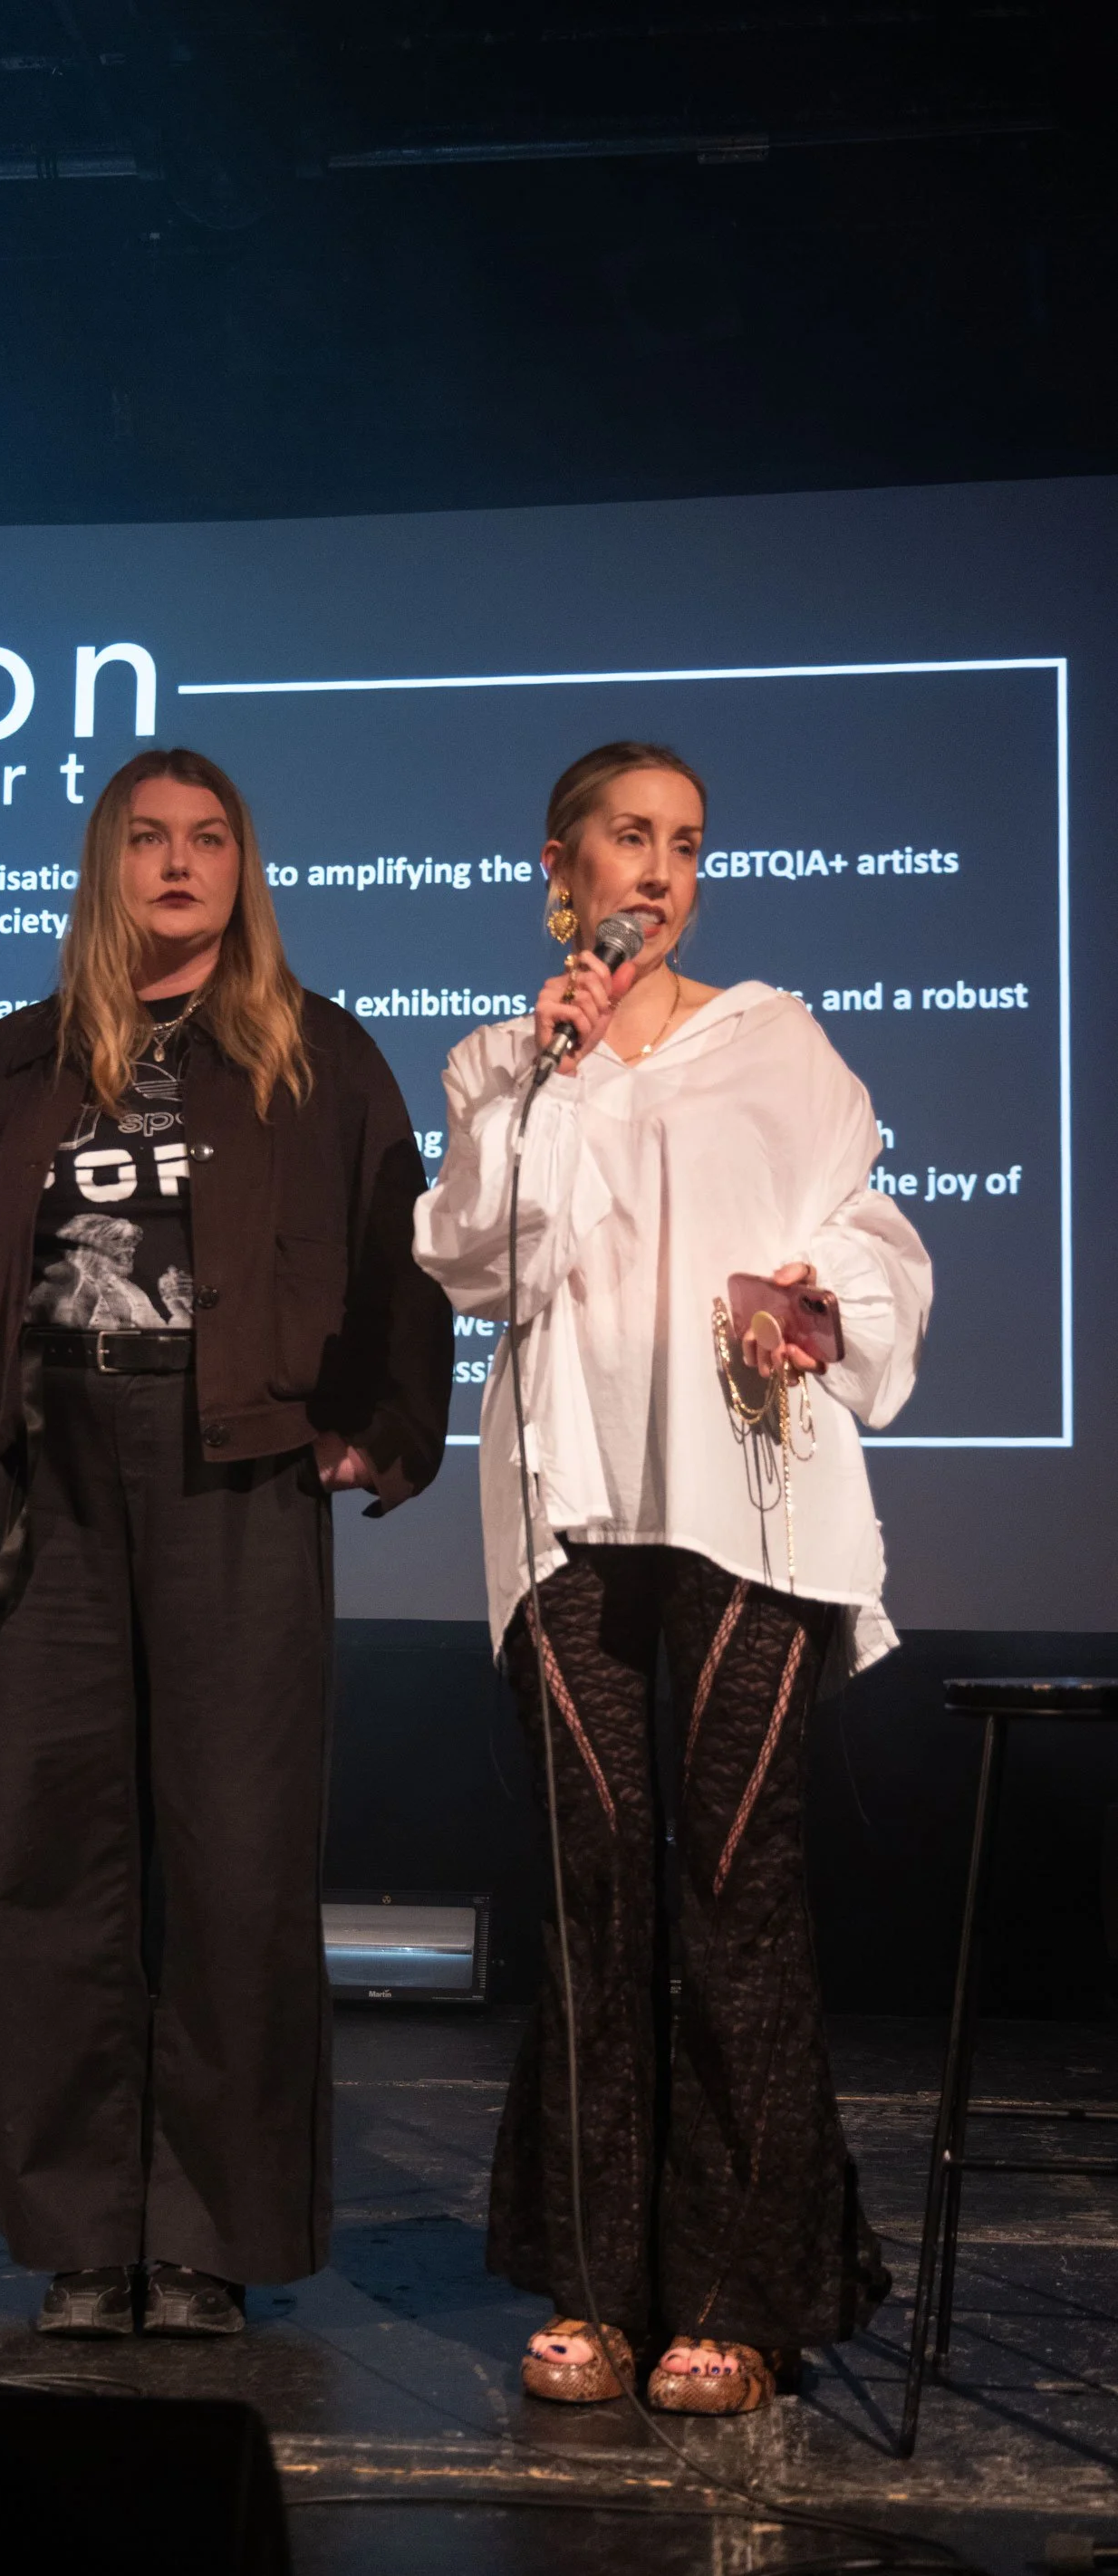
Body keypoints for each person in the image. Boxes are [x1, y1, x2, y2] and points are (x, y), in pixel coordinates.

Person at [0, 746, 452, 2339]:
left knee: (236, 1853)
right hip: (50, 1476)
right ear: (105, 869)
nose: (179, 864)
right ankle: (81, 2237)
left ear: (242, 869)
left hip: (235, 1475)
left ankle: (203, 2241)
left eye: (208, 840)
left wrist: (380, 1431)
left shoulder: (318, 1060)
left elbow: (412, 1266)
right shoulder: (15, 1065)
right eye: (148, 840)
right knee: (46, 1854)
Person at [412, 740, 931, 2417]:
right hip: (572, 1515)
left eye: (687, 844)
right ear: (557, 867)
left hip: (747, 1506)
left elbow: (873, 1228)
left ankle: (738, 2292)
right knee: (594, 1893)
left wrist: (815, 1291)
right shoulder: (510, 1054)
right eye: (629, 840)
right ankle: (594, 2281)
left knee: (733, 1888)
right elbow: (472, 1258)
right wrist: (537, 1081)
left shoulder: (769, 1040)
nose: (659, 870)